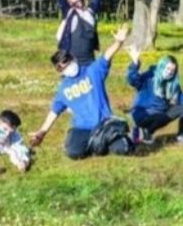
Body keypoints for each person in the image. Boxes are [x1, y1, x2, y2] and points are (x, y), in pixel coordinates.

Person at [29, 24, 135, 159]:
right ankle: (97, 143)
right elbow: (54, 112)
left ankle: (106, 140)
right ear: (58, 72)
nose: (66, 67)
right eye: (61, 68)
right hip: (82, 128)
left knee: (125, 149)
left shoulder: (92, 71)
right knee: (73, 153)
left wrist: (119, 42)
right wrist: (42, 132)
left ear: (73, 59)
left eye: (67, 62)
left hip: (104, 124)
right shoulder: (63, 89)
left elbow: (106, 56)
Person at [126, 48, 183, 145]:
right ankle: (141, 132)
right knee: (160, 116)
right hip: (144, 113)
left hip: (162, 114)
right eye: (168, 68)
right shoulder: (150, 77)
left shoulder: (173, 83)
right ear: (162, 66)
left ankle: (181, 136)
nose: (169, 72)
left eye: (172, 71)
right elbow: (133, 80)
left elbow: (182, 98)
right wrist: (135, 63)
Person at [36, 0, 108, 66]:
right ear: (69, 1)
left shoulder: (90, 12)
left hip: (89, 61)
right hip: (72, 62)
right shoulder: (69, 12)